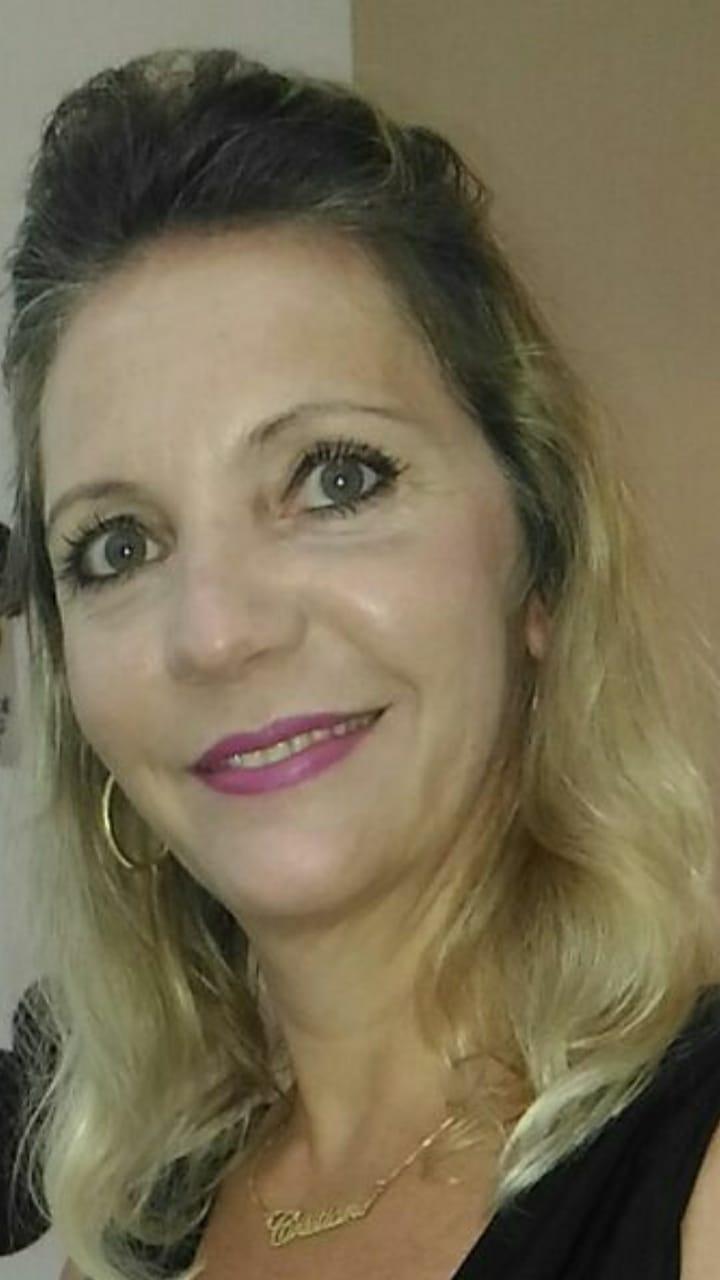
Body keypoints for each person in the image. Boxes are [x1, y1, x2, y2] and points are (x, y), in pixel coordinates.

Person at [1, 46, 719, 1280]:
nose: (217, 631)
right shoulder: (140, 1208)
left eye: (336, 478)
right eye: (118, 544)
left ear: (538, 554)